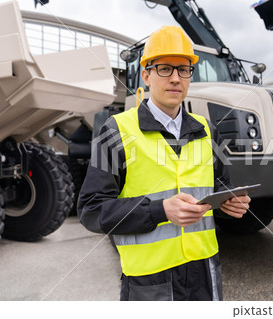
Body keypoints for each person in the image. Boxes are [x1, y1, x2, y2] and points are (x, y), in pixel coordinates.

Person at [77, 25, 251, 301]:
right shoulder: (117, 131)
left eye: (183, 69)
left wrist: (231, 205)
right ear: (146, 75)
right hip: (150, 278)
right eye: (165, 69)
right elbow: (91, 210)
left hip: (204, 271)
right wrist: (159, 211)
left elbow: (219, 188)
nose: (175, 78)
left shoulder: (207, 130)